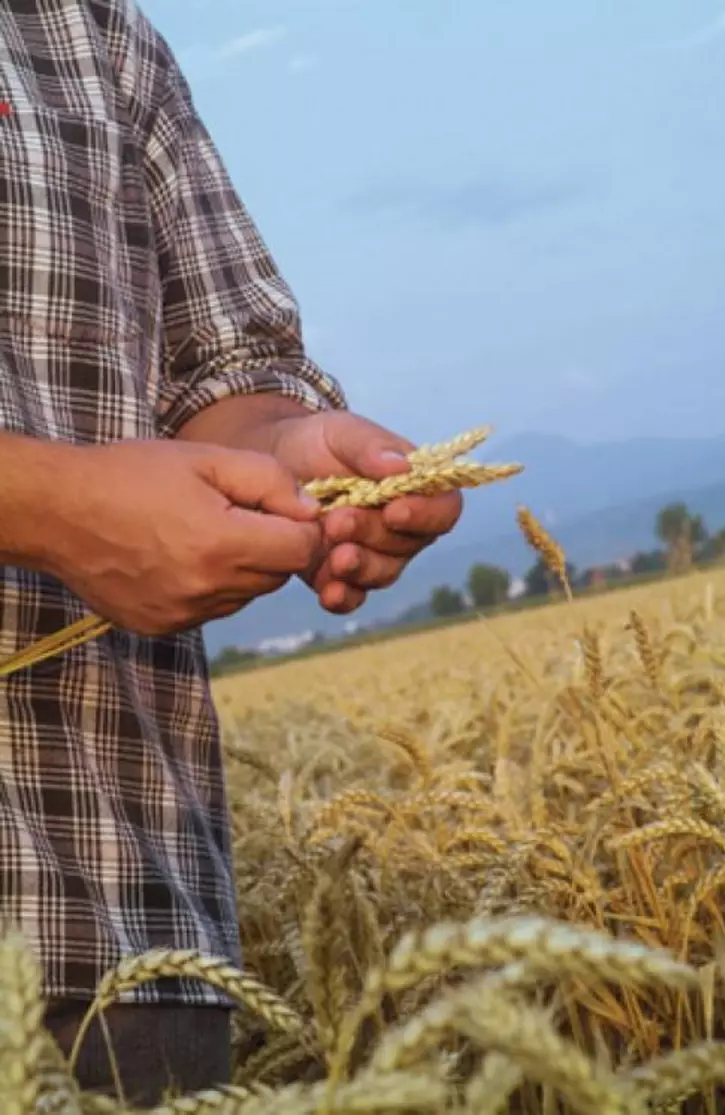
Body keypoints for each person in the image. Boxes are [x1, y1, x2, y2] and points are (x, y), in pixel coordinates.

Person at [0, 0, 462, 1103]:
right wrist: (54, 507)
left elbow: (222, 374)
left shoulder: (92, 33)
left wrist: (293, 464)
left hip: (118, 923)